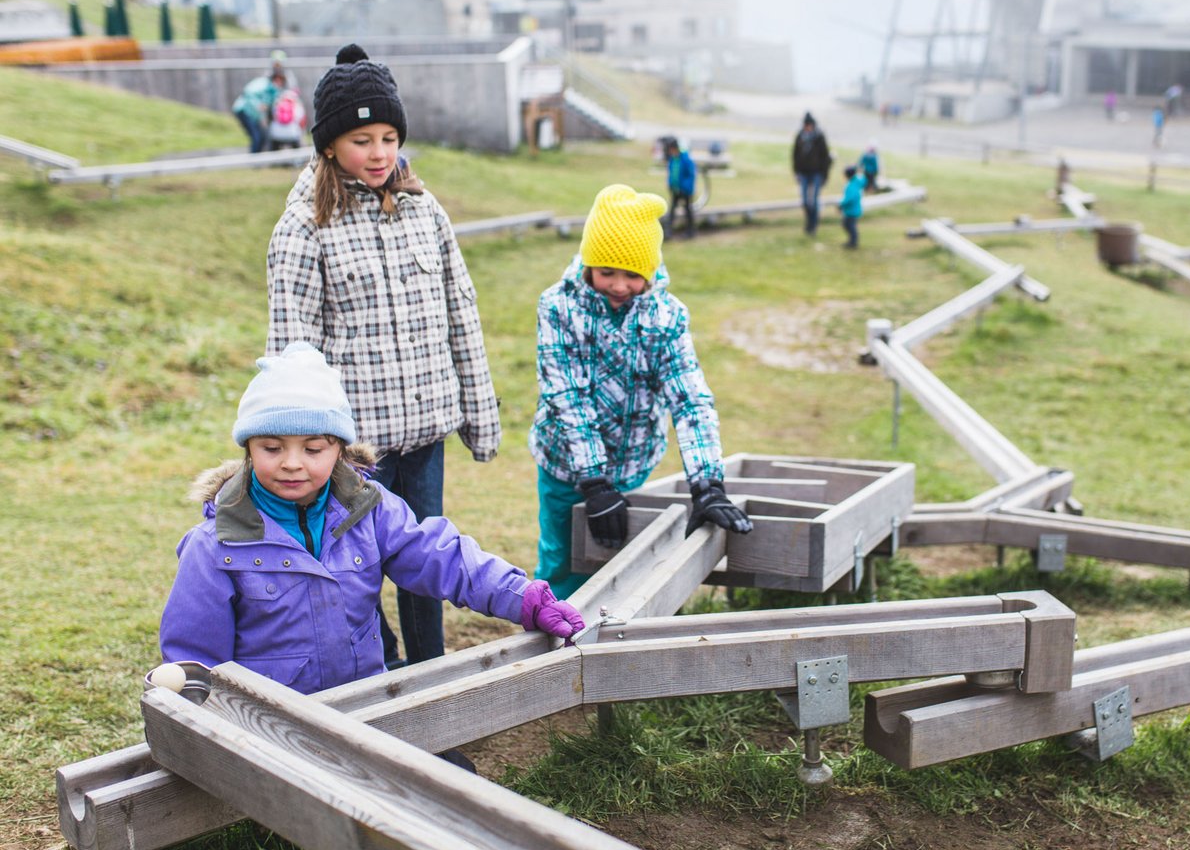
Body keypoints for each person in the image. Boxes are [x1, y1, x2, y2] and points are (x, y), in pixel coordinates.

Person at [158, 342, 584, 698]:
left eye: (313, 449)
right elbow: (194, 659)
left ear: (340, 450)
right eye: (272, 448)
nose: (292, 463)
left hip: (366, 708)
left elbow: (441, 558)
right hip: (270, 728)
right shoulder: (215, 546)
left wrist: (522, 597)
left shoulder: (371, 510)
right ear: (248, 450)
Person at [266, 43, 501, 669]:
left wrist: (480, 417)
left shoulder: (426, 212)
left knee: (426, 560)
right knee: (356, 567)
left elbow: (462, 314)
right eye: (362, 140)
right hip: (356, 448)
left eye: (390, 138)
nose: (379, 154)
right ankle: (381, 669)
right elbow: (292, 349)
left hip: (425, 434)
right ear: (329, 145)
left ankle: (431, 670)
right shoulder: (303, 227)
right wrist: (300, 445)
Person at [529, 184, 753, 598]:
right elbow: (567, 396)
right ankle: (554, 622)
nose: (619, 285)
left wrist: (707, 484)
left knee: (628, 563)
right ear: (588, 264)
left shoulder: (667, 317)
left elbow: (689, 398)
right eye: (607, 272)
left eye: (632, 275)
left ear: (649, 272)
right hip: (566, 465)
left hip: (634, 463)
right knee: (564, 559)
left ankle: (616, 631)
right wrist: (594, 482)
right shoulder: (558, 307)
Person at [792, 112, 832, 236]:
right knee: (805, 201)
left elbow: (825, 157)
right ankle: (809, 222)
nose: (807, 127)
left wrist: (825, 175)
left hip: (816, 173)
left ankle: (813, 225)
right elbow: (795, 155)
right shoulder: (800, 136)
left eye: (809, 125)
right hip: (803, 173)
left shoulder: (819, 137)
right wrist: (796, 171)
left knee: (813, 201)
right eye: (806, 125)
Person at [232, 72, 284, 154]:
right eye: (277, 80)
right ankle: (253, 159)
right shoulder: (264, 84)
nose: (279, 83)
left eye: (281, 81)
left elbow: (268, 105)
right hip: (244, 110)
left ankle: (257, 157)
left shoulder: (274, 91)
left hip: (254, 115)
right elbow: (248, 92)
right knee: (257, 137)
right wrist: (258, 105)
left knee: (262, 138)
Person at [662, 135, 697, 239]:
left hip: (685, 191)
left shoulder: (686, 159)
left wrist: (685, 188)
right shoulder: (672, 159)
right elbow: (671, 174)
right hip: (675, 190)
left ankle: (690, 232)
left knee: (688, 211)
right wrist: (670, 184)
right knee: (672, 211)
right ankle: (668, 232)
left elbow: (691, 175)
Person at [265, 86, 307, 151]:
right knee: (297, 149)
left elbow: (272, 118)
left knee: (273, 148)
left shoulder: (277, 105)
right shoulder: (297, 106)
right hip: (293, 134)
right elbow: (301, 121)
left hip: (276, 134)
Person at [839, 165, 865, 250]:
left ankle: (853, 242)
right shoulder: (857, 182)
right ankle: (852, 241)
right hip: (855, 209)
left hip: (851, 210)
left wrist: (841, 204)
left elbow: (850, 198)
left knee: (849, 226)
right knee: (849, 225)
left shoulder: (851, 185)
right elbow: (864, 179)